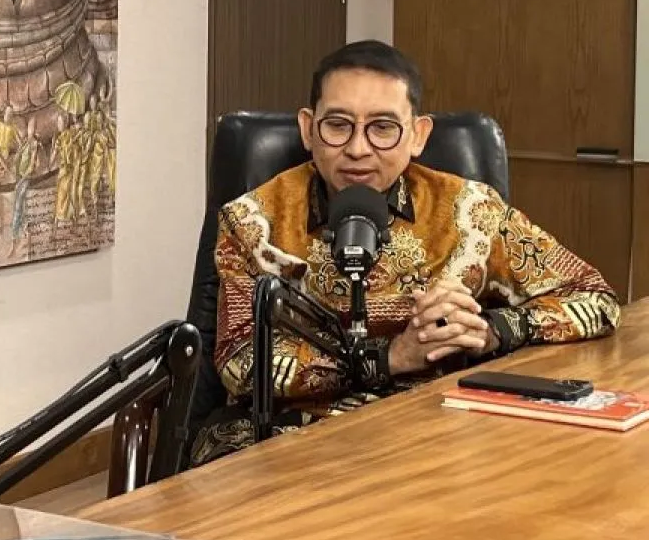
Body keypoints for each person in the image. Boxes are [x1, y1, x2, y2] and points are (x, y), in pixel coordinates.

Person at [190, 40, 622, 466]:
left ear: (417, 135)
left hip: (433, 431)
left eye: (382, 128)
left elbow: (595, 299)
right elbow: (239, 363)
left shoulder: (471, 211)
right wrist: (390, 358)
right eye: (338, 125)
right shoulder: (251, 221)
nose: (358, 148)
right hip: (290, 434)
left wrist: (488, 330)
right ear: (308, 128)